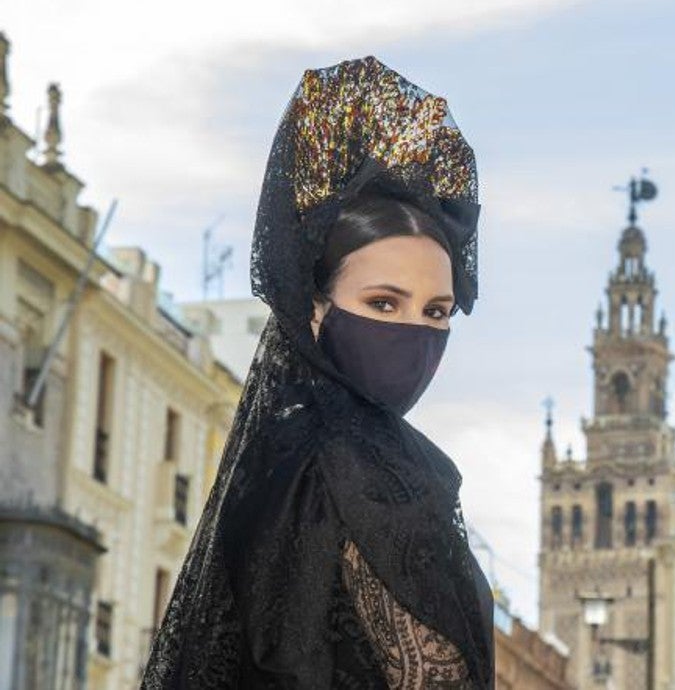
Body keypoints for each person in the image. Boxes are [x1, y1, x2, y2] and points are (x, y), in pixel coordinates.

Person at [142, 56, 493, 688]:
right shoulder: (366, 468)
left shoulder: (278, 456)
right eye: (383, 303)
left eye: (437, 311)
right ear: (314, 310)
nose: (415, 330)